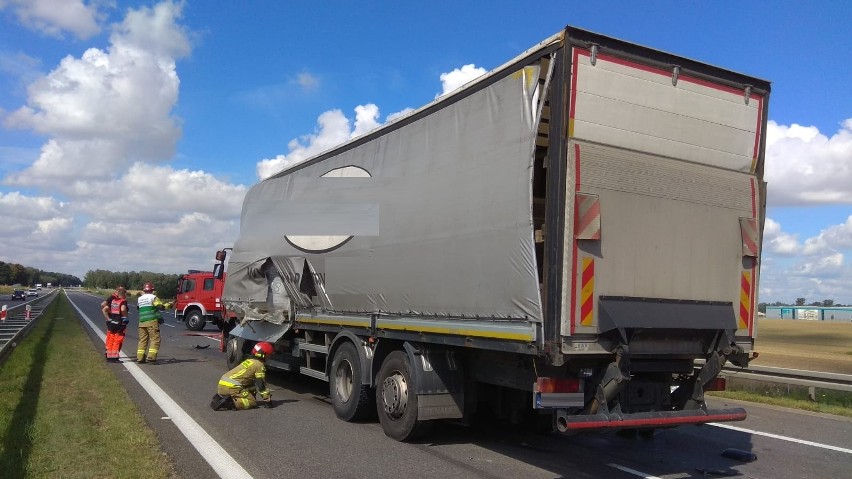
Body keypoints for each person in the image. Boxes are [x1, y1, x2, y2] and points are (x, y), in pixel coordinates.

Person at [211, 342, 274, 410]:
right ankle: (229, 403)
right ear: (263, 355)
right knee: (252, 402)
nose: (269, 357)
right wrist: (267, 399)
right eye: (269, 355)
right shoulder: (259, 365)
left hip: (222, 385)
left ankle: (221, 398)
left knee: (249, 388)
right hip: (231, 387)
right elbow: (261, 384)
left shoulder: (249, 361)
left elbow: (248, 381)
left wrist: (252, 392)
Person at [136, 282, 164, 364]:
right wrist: (168, 305)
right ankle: (151, 358)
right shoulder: (153, 297)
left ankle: (140, 358)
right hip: (151, 322)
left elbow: (138, 308)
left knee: (142, 340)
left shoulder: (140, 298)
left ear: (144, 290)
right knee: (155, 339)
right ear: (152, 290)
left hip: (141, 322)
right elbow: (160, 307)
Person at [101, 286, 129, 362]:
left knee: (111, 340)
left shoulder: (113, 301)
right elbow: (123, 309)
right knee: (118, 340)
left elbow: (105, 308)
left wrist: (109, 318)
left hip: (112, 322)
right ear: (124, 294)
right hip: (119, 323)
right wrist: (125, 317)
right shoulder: (123, 301)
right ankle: (114, 357)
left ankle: (109, 356)